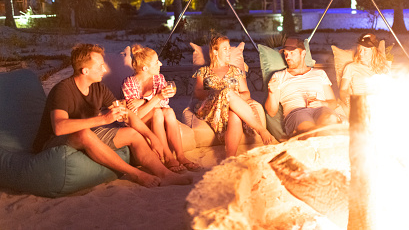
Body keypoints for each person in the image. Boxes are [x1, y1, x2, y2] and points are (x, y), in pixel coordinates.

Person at [32, 44, 192, 188]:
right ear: (85, 71)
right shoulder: (63, 90)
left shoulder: (99, 89)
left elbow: (126, 114)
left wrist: (152, 136)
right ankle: (136, 174)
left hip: (90, 132)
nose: (105, 70)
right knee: (84, 133)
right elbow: (59, 127)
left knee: (133, 133)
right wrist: (103, 119)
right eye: (101, 66)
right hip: (54, 140)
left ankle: (165, 174)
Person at [191, 34, 275, 157]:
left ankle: (230, 158)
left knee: (235, 114)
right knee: (227, 91)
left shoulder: (236, 70)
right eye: (225, 48)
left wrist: (234, 98)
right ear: (215, 52)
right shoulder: (203, 71)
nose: (228, 51)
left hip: (232, 107)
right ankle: (261, 129)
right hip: (211, 108)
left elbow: (246, 93)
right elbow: (198, 93)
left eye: (229, 48)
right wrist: (217, 93)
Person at [122, 45, 201, 173]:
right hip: (138, 121)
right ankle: (168, 157)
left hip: (155, 114)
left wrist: (144, 100)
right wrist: (157, 97)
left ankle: (181, 156)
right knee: (157, 112)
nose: (160, 63)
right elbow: (134, 116)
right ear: (145, 68)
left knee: (168, 112)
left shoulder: (159, 79)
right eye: (156, 62)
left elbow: (164, 103)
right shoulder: (129, 83)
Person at [265, 36, 342, 136]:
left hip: (321, 109)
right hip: (297, 112)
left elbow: (333, 102)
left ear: (303, 53)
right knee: (308, 131)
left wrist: (323, 104)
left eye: (292, 53)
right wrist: (271, 93)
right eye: (286, 54)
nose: (288, 57)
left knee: (330, 119)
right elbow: (271, 112)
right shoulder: (278, 76)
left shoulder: (319, 73)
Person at [339, 33, 390, 117]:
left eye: (365, 50)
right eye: (359, 49)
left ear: (374, 51)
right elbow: (343, 90)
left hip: (377, 104)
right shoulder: (351, 67)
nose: (361, 53)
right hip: (359, 103)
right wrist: (347, 100)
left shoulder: (383, 69)